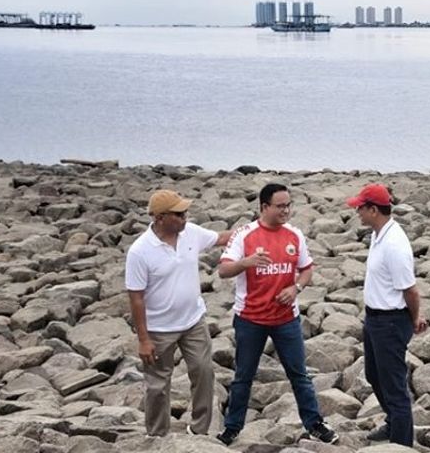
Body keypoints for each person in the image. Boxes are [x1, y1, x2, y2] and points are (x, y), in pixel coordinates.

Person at [215, 183, 338, 446]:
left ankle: (315, 424)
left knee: (299, 375)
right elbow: (223, 271)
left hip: (286, 319)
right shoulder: (245, 235)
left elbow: (306, 269)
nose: (286, 210)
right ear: (264, 207)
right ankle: (232, 428)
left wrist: (296, 288)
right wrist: (246, 263)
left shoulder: (294, 235)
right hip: (250, 319)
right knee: (243, 376)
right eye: (280, 206)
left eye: (288, 205)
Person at [125, 189, 233, 436]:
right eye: (179, 214)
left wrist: (258, 229)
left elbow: (221, 238)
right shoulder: (140, 251)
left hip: (193, 322)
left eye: (185, 213)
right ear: (160, 218)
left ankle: (199, 430)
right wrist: (143, 339)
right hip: (158, 329)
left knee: (204, 372)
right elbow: (136, 298)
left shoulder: (191, 233)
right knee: (157, 386)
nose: (185, 218)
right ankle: (157, 436)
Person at [347, 183, 428, 446]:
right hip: (375, 318)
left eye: (361, 207)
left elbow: (411, 291)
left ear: (373, 210)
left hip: (390, 321)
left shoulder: (394, 244)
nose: (357, 211)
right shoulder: (378, 233)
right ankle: (393, 422)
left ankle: (402, 444)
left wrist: (415, 318)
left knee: (394, 387)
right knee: (374, 375)